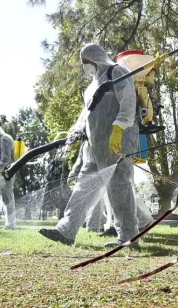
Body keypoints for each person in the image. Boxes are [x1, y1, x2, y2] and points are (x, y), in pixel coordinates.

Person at [39, 43, 139, 247]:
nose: (84, 66)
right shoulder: (91, 86)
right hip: (94, 145)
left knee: (118, 187)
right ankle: (66, 231)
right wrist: (76, 132)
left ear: (95, 59)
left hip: (117, 141)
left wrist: (119, 129)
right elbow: (86, 114)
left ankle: (129, 237)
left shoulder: (117, 72)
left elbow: (128, 102)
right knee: (83, 187)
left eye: (86, 62)